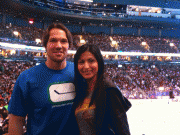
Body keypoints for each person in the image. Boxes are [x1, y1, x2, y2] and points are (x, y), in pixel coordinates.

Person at [8, 23, 79, 135]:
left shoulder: (79, 72)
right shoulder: (26, 78)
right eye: (53, 41)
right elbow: (16, 120)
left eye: (63, 41)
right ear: (45, 45)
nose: (58, 45)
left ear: (69, 46)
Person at [73, 44, 132, 135]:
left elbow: (122, 130)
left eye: (91, 61)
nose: (86, 66)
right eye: (81, 62)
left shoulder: (109, 90)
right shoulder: (81, 90)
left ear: (99, 63)